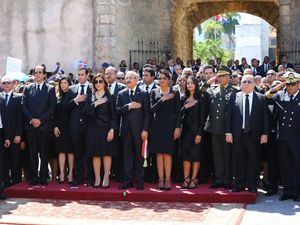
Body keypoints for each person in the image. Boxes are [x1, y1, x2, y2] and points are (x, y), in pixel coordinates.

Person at [225, 75, 269, 193]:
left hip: (254, 135)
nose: (246, 83)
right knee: (238, 160)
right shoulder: (235, 96)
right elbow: (229, 115)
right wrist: (228, 132)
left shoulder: (261, 98)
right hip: (238, 135)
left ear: (254, 84)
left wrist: (265, 134)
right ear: (241, 83)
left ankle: (252, 185)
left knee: (253, 161)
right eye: (244, 81)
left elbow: (265, 117)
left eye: (249, 82)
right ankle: (239, 184)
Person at [201, 66, 237, 189]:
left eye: (223, 76)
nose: (220, 78)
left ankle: (227, 179)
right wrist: (210, 81)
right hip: (214, 127)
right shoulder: (213, 89)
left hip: (227, 129)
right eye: (219, 76)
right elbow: (201, 91)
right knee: (217, 154)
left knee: (227, 154)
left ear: (228, 77)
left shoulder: (234, 91)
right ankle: (219, 178)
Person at [265, 72, 300, 201]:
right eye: (288, 84)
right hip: (283, 138)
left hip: (297, 138)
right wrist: (278, 87)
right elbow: (266, 97)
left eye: (293, 84)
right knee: (284, 165)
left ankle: (296, 192)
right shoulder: (280, 95)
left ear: (298, 84)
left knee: (297, 165)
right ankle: (287, 191)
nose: (290, 87)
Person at [22, 65, 56, 186]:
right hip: (30, 127)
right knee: (32, 153)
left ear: (44, 75)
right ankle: (33, 177)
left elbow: (52, 107)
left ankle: (43, 177)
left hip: (44, 127)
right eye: (35, 72)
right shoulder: (28, 88)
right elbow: (24, 106)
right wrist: (32, 119)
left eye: (39, 72)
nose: (37, 74)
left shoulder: (50, 89)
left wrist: (40, 120)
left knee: (44, 153)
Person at [116, 71, 150, 190]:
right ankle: (127, 181)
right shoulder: (121, 94)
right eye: (127, 78)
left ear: (136, 80)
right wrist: (129, 106)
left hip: (139, 130)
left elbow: (147, 113)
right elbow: (118, 110)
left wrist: (145, 129)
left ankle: (139, 181)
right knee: (127, 156)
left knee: (139, 156)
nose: (128, 80)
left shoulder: (144, 93)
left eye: (131, 78)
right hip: (125, 130)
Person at [149, 69, 181, 190]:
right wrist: (163, 99)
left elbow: (178, 112)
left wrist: (177, 127)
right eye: (160, 78)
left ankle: (168, 179)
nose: (162, 80)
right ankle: (160, 179)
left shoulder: (175, 92)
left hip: (170, 127)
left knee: (167, 153)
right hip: (157, 126)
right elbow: (151, 109)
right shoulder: (154, 92)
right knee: (159, 154)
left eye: (164, 78)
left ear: (169, 80)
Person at [85, 74, 117, 188]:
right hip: (93, 128)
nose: (98, 83)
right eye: (95, 82)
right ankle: (97, 178)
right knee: (95, 154)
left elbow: (114, 115)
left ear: (104, 83)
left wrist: (112, 129)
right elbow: (86, 112)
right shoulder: (90, 96)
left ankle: (106, 177)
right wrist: (96, 103)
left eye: (100, 81)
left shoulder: (110, 97)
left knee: (107, 154)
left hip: (106, 128)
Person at [62, 67, 93, 187]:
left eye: (82, 74)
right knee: (78, 154)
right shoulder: (71, 89)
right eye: (78, 74)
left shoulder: (93, 87)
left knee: (89, 153)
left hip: (90, 126)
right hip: (75, 127)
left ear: (87, 75)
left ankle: (91, 178)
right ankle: (78, 178)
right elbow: (64, 106)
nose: (79, 76)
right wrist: (75, 100)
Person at [180, 76, 205, 189]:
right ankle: (186, 179)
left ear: (196, 85)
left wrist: (199, 134)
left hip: (197, 132)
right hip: (185, 132)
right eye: (188, 83)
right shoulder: (183, 97)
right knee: (186, 156)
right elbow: (178, 115)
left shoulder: (201, 98)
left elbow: (202, 118)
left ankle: (194, 178)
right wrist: (186, 107)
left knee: (195, 156)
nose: (189, 85)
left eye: (192, 83)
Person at [1, 75, 23, 186]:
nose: (6, 85)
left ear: (13, 84)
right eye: (4, 83)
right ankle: (6, 183)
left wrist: (19, 134)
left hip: (15, 135)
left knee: (15, 160)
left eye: (8, 82)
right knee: (4, 162)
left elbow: (20, 118)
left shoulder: (18, 97)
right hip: (2, 135)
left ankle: (16, 184)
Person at [54, 76, 74, 184]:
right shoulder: (57, 96)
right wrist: (55, 126)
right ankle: (61, 173)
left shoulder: (72, 94)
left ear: (69, 84)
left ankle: (70, 173)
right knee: (61, 151)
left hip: (70, 126)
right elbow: (55, 113)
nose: (63, 84)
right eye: (61, 83)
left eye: (65, 82)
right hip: (60, 126)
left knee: (70, 151)